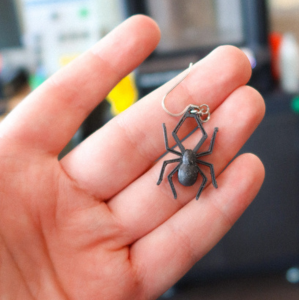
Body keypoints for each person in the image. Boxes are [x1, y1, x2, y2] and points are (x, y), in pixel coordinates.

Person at [0, 15, 265, 299]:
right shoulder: (193, 158)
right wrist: (197, 161)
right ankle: (189, 185)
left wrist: (192, 141)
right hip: (187, 172)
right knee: (194, 162)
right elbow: (197, 153)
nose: (187, 152)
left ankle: (187, 184)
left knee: (180, 161)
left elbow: (178, 147)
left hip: (184, 172)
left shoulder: (179, 157)